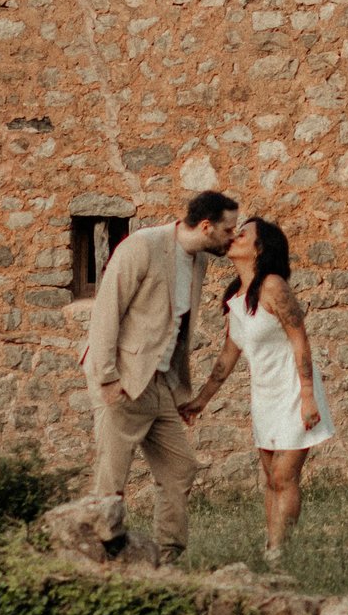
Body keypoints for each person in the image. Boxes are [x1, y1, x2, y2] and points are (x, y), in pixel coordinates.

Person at [84, 189, 239, 565]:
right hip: (124, 382)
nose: (233, 237)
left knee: (179, 467)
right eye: (229, 229)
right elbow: (107, 311)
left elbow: (177, 329)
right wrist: (106, 378)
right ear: (206, 226)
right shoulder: (141, 246)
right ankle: (100, 560)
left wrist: (180, 389)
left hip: (160, 386)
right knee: (111, 481)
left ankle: (165, 558)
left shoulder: (198, 260)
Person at [182, 215, 331, 564]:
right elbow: (228, 354)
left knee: (283, 475)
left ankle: (281, 553)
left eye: (242, 233)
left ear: (260, 248)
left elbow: (300, 339)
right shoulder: (236, 296)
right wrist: (201, 401)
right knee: (270, 478)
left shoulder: (275, 286)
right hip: (265, 394)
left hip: (294, 389)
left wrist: (308, 394)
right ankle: (272, 548)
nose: (233, 236)